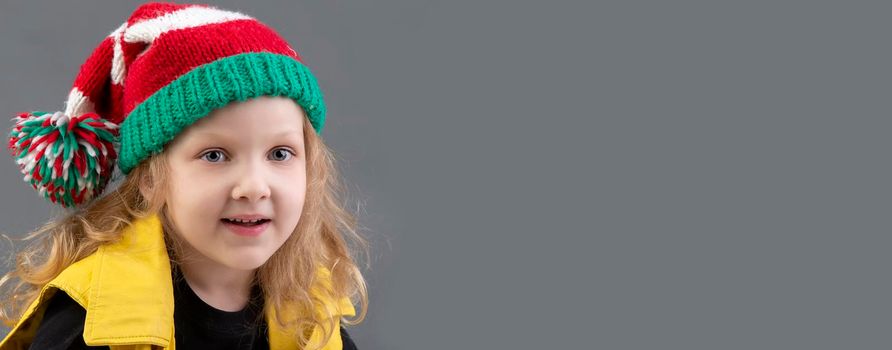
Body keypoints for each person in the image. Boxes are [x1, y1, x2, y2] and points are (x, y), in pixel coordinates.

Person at [0, 2, 369, 349]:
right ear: (149, 177)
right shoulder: (87, 327)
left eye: (280, 153)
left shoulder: (314, 315)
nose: (255, 186)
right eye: (215, 155)